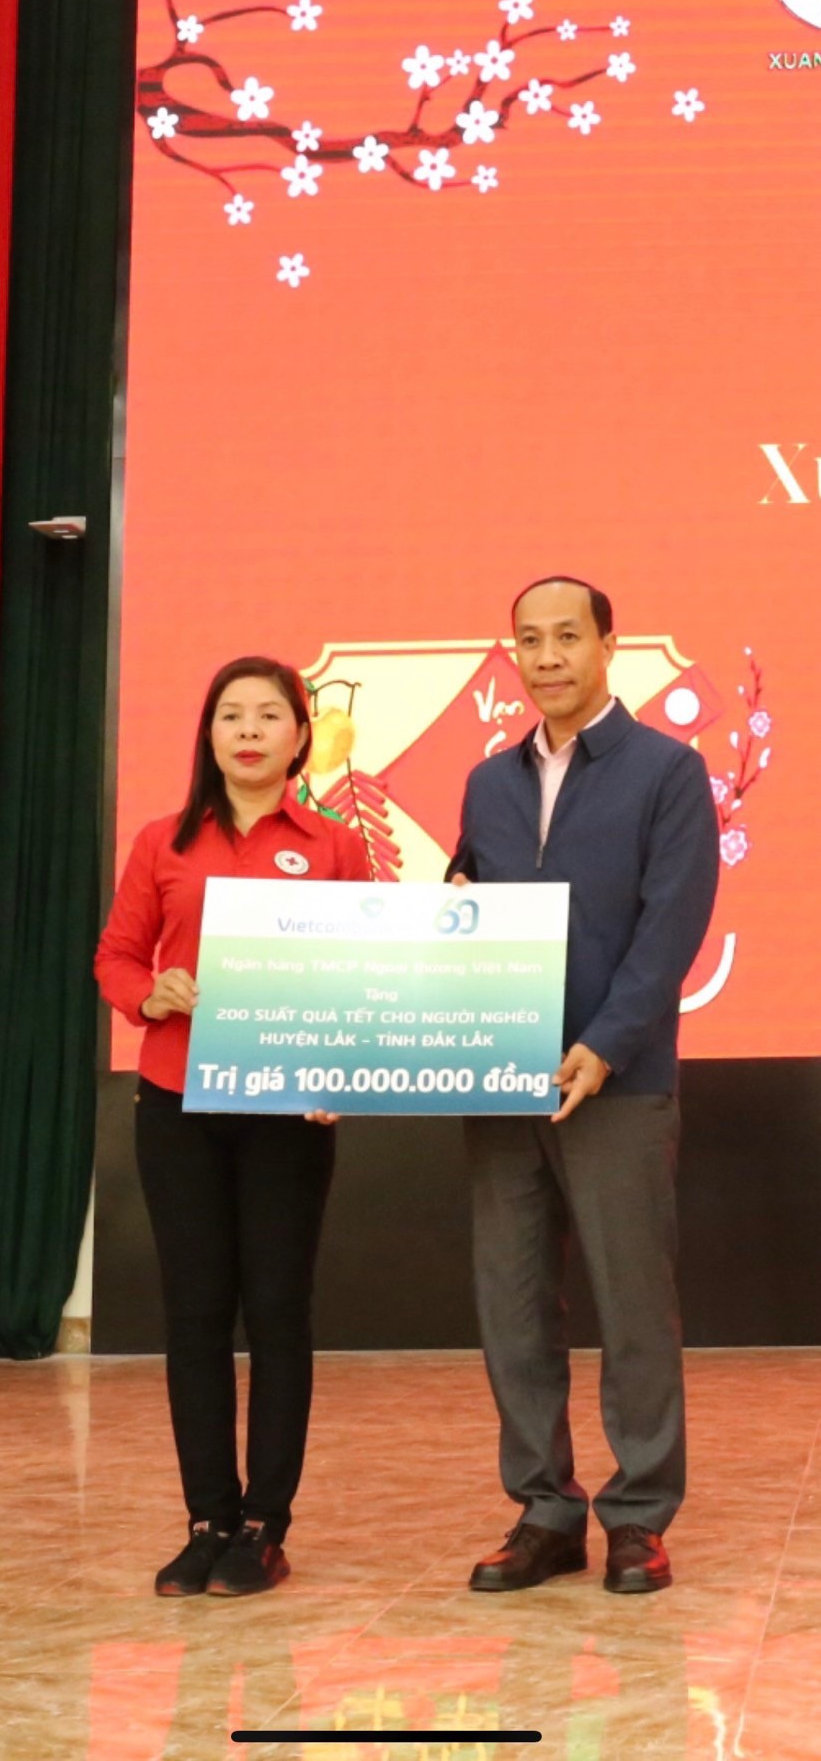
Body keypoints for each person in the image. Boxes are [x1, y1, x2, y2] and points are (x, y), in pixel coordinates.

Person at [448, 576, 720, 1595]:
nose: (548, 657)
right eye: (530, 640)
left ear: (609, 644)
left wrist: (605, 1043)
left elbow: (672, 925)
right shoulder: (488, 780)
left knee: (632, 1303)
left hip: (620, 1082)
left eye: (568, 636)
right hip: (500, 1077)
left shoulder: (667, 771)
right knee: (513, 1302)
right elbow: (469, 895)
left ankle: (639, 1516)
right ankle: (545, 1512)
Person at [95, 656, 369, 1597]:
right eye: (229, 716)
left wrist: (341, 1068)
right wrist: (151, 992)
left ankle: (263, 1526)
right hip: (178, 1103)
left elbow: (361, 980)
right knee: (196, 1311)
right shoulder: (161, 842)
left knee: (278, 1310)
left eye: (268, 716)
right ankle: (207, 1518)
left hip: (288, 1110)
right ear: (208, 735)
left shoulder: (336, 847)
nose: (247, 731)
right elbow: (116, 957)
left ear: (301, 737)